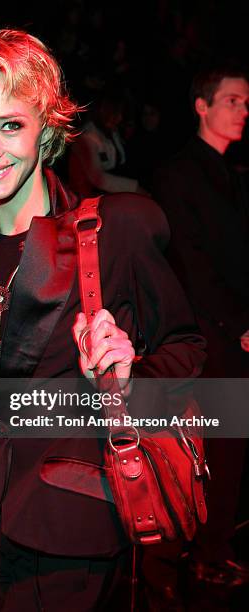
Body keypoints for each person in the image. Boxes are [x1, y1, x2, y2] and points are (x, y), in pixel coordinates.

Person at [0, 28, 206, 612]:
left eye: (11, 125)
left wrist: (130, 376)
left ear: (47, 129)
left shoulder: (114, 232)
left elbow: (189, 349)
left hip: (75, 523)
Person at [151, 64, 249, 590]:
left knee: (232, 446)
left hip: (231, 328)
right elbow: (191, 262)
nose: (243, 111)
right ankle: (206, 554)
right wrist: (237, 325)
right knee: (216, 447)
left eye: (245, 102)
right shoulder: (179, 174)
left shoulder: (230, 174)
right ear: (202, 106)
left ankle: (214, 547)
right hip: (209, 333)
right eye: (232, 100)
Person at [68, 86, 142, 197]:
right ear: (102, 111)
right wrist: (135, 188)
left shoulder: (112, 131)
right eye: (115, 113)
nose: (120, 118)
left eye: (121, 113)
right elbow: (99, 179)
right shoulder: (84, 138)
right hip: (89, 201)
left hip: (113, 196)